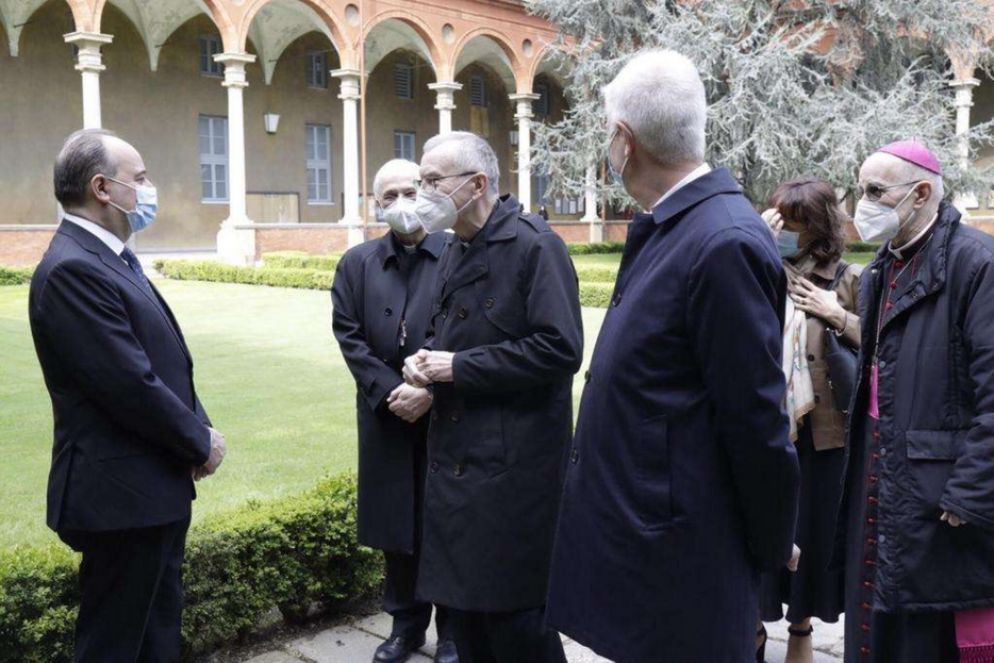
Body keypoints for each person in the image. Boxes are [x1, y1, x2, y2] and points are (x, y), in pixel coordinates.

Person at [544, 49, 801, 663]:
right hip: (649, 539)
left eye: (609, 132)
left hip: (684, 551)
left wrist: (772, 542)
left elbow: (756, 419)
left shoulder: (721, 241)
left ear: (625, 141)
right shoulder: (675, 224)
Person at [29, 128, 226, 662]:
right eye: (139, 178)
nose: (147, 188)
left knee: (155, 637)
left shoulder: (107, 257)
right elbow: (128, 384)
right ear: (102, 187)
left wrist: (197, 430)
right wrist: (198, 442)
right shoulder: (74, 267)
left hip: (147, 489)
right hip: (119, 497)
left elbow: (166, 362)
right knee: (116, 644)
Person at [401, 131, 583, 663]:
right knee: (467, 620)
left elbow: (560, 349)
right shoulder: (454, 246)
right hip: (458, 459)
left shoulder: (534, 244)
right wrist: (427, 365)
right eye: (421, 181)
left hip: (513, 469)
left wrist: (458, 367)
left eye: (433, 181)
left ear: (477, 183)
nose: (421, 193)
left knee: (516, 621)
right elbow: (453, 334)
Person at [834, 140, 994, 663]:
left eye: (876, 192)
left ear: (922, 192)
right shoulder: (883, 266)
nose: (864, 204)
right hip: (881, 473)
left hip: (941, 493)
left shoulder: (977, 263)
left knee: (926, 637)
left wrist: (969, 493)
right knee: (876, 620)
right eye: (861, 191)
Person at [331, 158, 455, 663]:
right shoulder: (357, 263)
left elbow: (462, 329)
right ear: (376, 204)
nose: (402, 202)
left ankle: (453, 630)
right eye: (390, 196)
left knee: (445, 521)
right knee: (396, 525)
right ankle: (404, 626)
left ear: (427, 192)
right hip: (386, 415)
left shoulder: (456, 252)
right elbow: (349, 335)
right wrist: (388, 392)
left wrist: (429, 390)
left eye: (411, 190)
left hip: (445, 412)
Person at [758, 179, 861, 663]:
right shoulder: (758, 266)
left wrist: (836, 315)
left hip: (821, 435)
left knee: (809, 534)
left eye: (792, 222)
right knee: (759, 533)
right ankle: (753, 628)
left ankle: (800, 629)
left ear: (814, 227)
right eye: (779, 220)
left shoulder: (847, 278)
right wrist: (755, 241)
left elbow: (884, 345)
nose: (785, 230)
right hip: (763, 430)